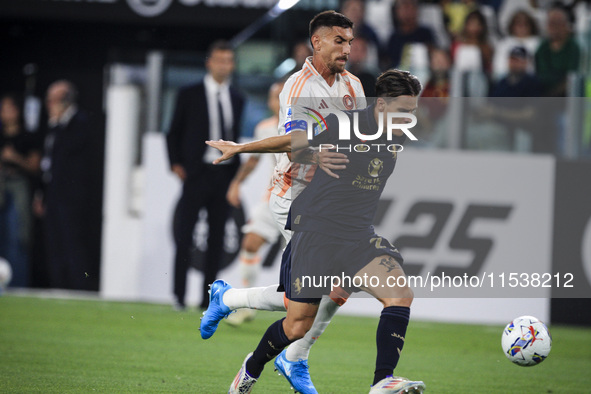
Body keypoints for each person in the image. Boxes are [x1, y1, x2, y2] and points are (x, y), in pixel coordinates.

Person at [210, 69, 426, 394]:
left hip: (357, 235)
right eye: (403, 111)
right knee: (297, 325)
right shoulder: (344, 124)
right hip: (316, 232)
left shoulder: (396, 131)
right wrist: (241, 148)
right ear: (381, 105)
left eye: (413, 111)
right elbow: (291, 143)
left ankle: (383, 381)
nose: (410, 118)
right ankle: (251, 367)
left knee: (400, 294)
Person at [200, 10, 365, 394]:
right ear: (317, 41)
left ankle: (231, 299)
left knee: (325, 293)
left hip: (333, 203)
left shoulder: (354, 86)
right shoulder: (298, 86)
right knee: (312, 301)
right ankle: (293, 358)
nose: (346, 48)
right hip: (295, 199)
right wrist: (243, 149)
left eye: (350, 41)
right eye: (339, 41)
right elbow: (293, 145)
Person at [166, 40, 245, 310]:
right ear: (209, 62)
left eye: (228, 60)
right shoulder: (189, 94)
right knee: (184, 235)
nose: (224, 65)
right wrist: (175, 162)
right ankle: (178, 295)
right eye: (219, 59)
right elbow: (173, 131)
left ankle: (206, 299)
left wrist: (236, 175)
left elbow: (233, 137)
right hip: (196, 173)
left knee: (217, 240)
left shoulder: (237, 97)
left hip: (223, 175)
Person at [224, 81, 284, 325]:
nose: (277, 102)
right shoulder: (265, 128)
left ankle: (305, 311)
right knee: (250, 243)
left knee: (302, 260)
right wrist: (236, 183)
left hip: (304, 203)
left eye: (281, 96)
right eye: (273, 97)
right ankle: (247, 306)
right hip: (274, 197)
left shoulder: (308, 126)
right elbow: (253, 161)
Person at [38, 80, 104, 291]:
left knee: (72, 243)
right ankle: (58, 286)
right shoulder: (53, 126)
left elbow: (72, 158)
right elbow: (49, 162)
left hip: (73, 197)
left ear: (65, 101)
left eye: (53, 100)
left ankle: (77, 288)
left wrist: (58, 125)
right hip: (54, 193)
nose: (48, 105)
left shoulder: (81, 122)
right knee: (54, 244)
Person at [0, 93, 42, 287]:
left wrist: (14, 157)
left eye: (10, 107)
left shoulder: (28, 136)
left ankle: (18, 286)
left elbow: (35, 166)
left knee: (17, 238)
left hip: (18, 190)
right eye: (3, 108)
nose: (6, 112)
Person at [534, 4, 580, 97]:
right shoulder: (543, 47)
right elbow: (541, 75)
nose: (554, 27)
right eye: (551, 23)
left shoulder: (573, 47)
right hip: (544, 93)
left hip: (567, 95)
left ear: (566, 25)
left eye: (558, 23)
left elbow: (572, 78)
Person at [386, 0, 435, 69]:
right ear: (396, 11)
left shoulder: (426, 34)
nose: (408, 12)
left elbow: (433, 57)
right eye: (405, 8)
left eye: (411, 8)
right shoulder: (393, 38)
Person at [492, 9, 541, 79]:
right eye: (518, 24)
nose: (522, 27)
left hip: (530, 80)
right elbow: (498, 68)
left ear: (531, 25)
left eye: (525, 24)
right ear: (512, 26)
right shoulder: (504, 43)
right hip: (508, 80)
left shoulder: (538, 43)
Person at [451, 9, 494, 74]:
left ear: (482, 27)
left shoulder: (486, 46)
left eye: (477, 24)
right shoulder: (457, 44)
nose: (474, 28)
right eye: (472, 24)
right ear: (466, 25)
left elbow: (489, 64)